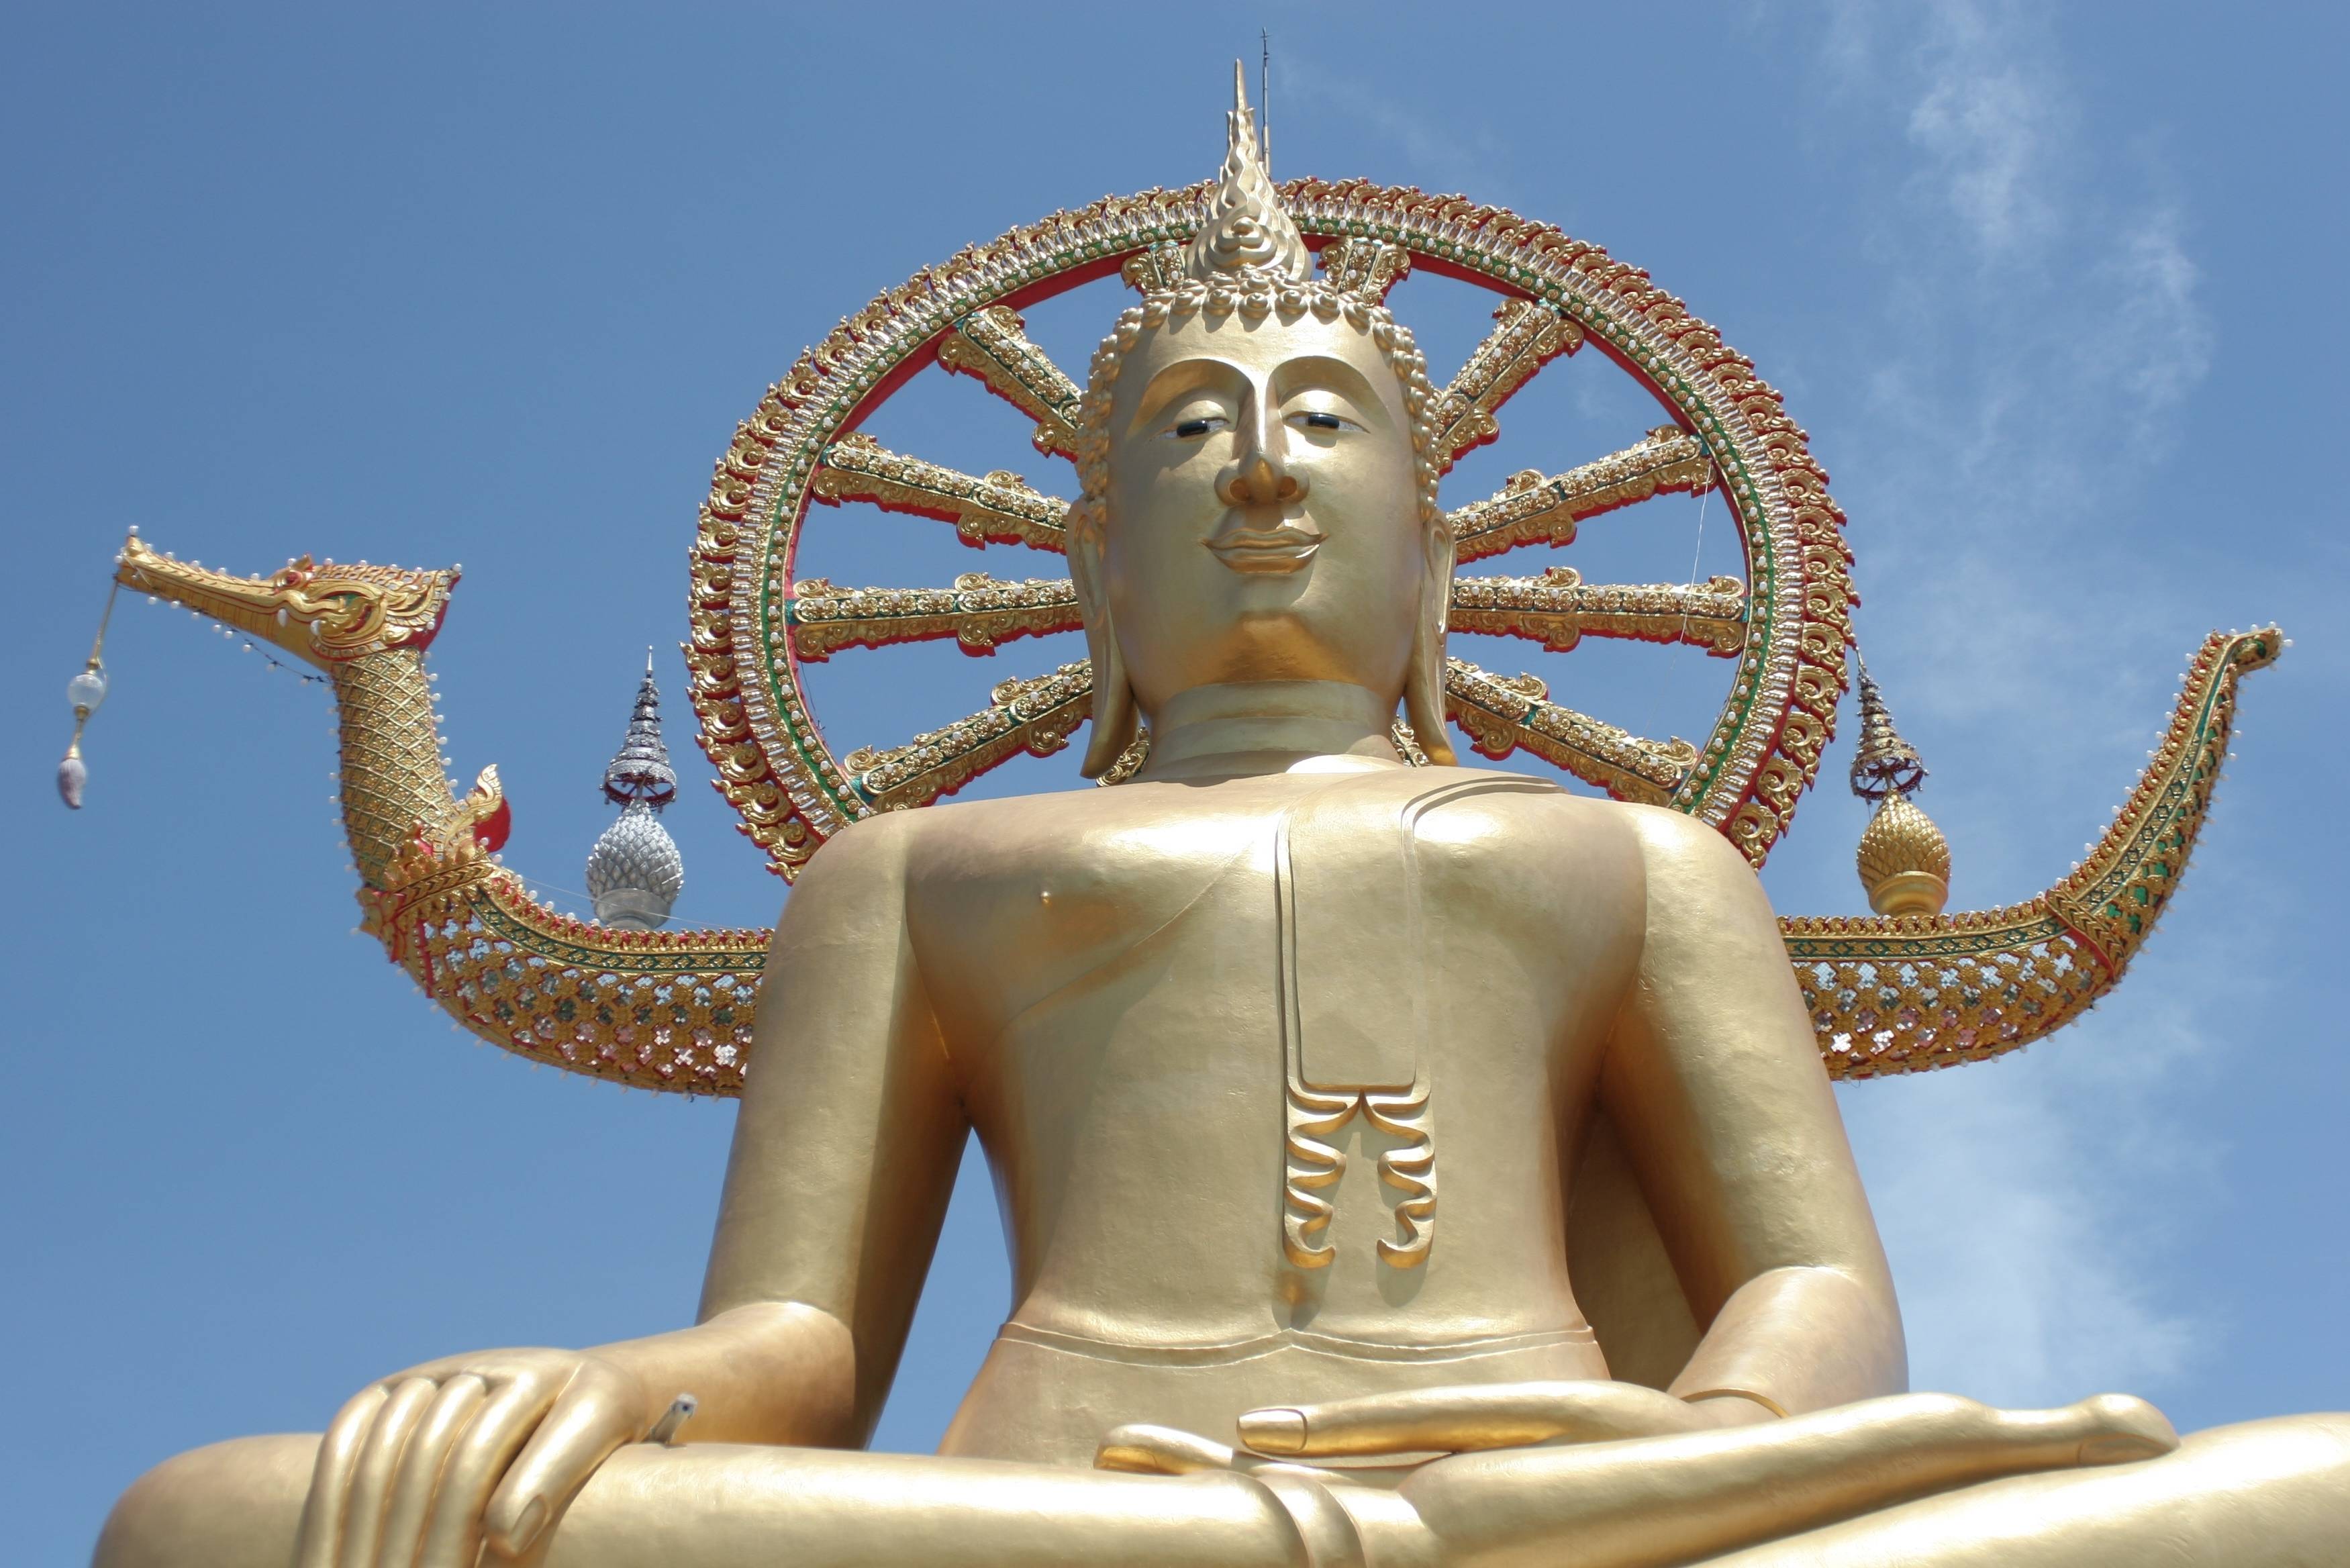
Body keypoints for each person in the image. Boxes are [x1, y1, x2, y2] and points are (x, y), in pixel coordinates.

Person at [97, 76, 2349, 1568]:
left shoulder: (1635, 866)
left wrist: (1707, 1436)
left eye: (1319, 427)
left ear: (1441, 554)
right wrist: (591, 1388)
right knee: (211, 1520)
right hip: (1095, 1521)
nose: (1260, 473)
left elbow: (1809, 1282)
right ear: (1081, 570)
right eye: (1183, 434)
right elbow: (800, 1356)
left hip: (1598, 1495)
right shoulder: (917, 877)